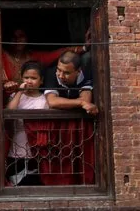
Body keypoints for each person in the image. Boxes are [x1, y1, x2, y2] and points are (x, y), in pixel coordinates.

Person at [38, 51, 97, 185]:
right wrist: (80, 103)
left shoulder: (86, 74)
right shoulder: (51, 73)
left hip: (80, 129)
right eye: (59, 70)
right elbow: (53, 101)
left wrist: (82, 101)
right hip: (56, 129)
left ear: (78, 71)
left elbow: (86, 97)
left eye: (66, 73)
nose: (61, 75)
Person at [2, 28, 83, 97]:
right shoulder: (1, 56)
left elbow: (57, 54)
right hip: (9, 101)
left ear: (27, 38)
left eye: (21, 36)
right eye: (13, 37)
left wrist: (84, 48)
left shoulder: (34, 56)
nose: (17, 39)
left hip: (32, 98)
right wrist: (6, 84)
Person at [4, 61, 48, 186]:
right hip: (16, 147)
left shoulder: (44, 100)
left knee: (33, 183)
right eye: (26, 77)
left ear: (41, 81)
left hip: (36, 148)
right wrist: (19, 92)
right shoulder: (16, 96)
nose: (29, 81)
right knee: (15, 182)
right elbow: (9, 113)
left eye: (33, 78)